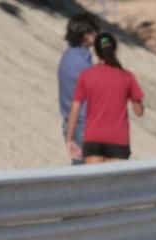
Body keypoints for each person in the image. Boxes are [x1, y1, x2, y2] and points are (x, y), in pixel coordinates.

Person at [64, 33, 144, 164]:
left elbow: (75, 108)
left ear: (95, 51)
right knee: (117, 184)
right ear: (115, 50)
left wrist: (69, 139)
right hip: (118, 139)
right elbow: (139, 112)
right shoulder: (127, 76)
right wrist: (137, 100)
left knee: (94, 183)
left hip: (93, 138)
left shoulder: (86, 75)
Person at [58, 12, 100, 165]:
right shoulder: (82, 63)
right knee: (89, 178)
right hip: (84, 126)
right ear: (86, 36)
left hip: (72, 123)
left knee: (81, 172)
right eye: (95, 32)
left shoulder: (68, 56)